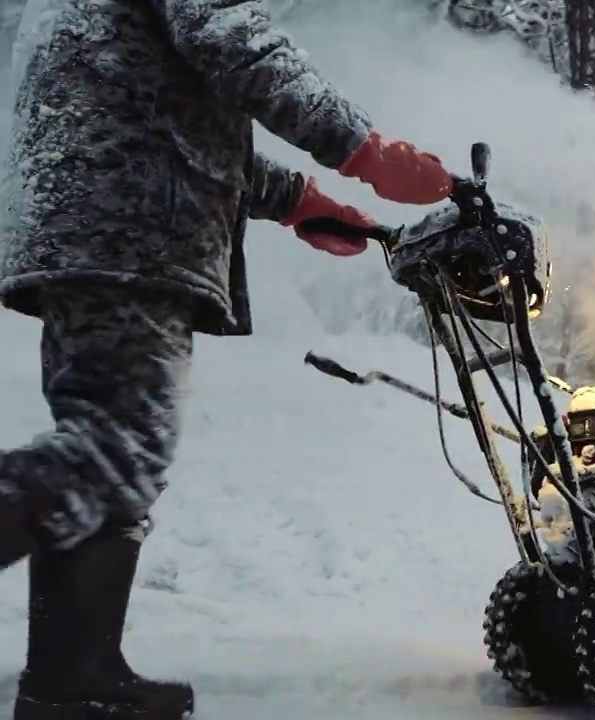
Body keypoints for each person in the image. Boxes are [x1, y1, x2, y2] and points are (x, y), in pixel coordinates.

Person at [0, 2, 458, 719]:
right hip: (134, 227)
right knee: (115, 449)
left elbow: (159, 108)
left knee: (111, 447)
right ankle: (71, 679)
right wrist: (363, 150)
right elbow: (235, 42)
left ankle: (73, 678)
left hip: (92, 218)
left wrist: (300, 200)